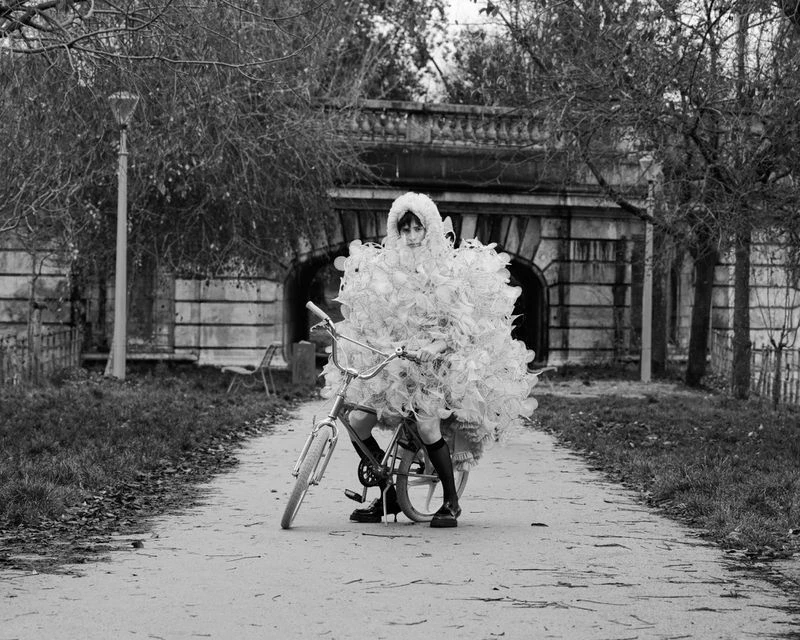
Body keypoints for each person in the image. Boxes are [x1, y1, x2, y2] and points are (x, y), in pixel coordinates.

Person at [320, 192, 538, 528]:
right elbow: (377, 315)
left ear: (429, 229)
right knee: (357, 422)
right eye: (403, 228)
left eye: (416, 228)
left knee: (426, 425)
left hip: (435, 371)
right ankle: (390, 488)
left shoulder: (445, 269)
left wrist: (433, 349)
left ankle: (451, 502)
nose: (410, 235)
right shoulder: (387, 268)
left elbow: (457, 326)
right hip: (395, 366)